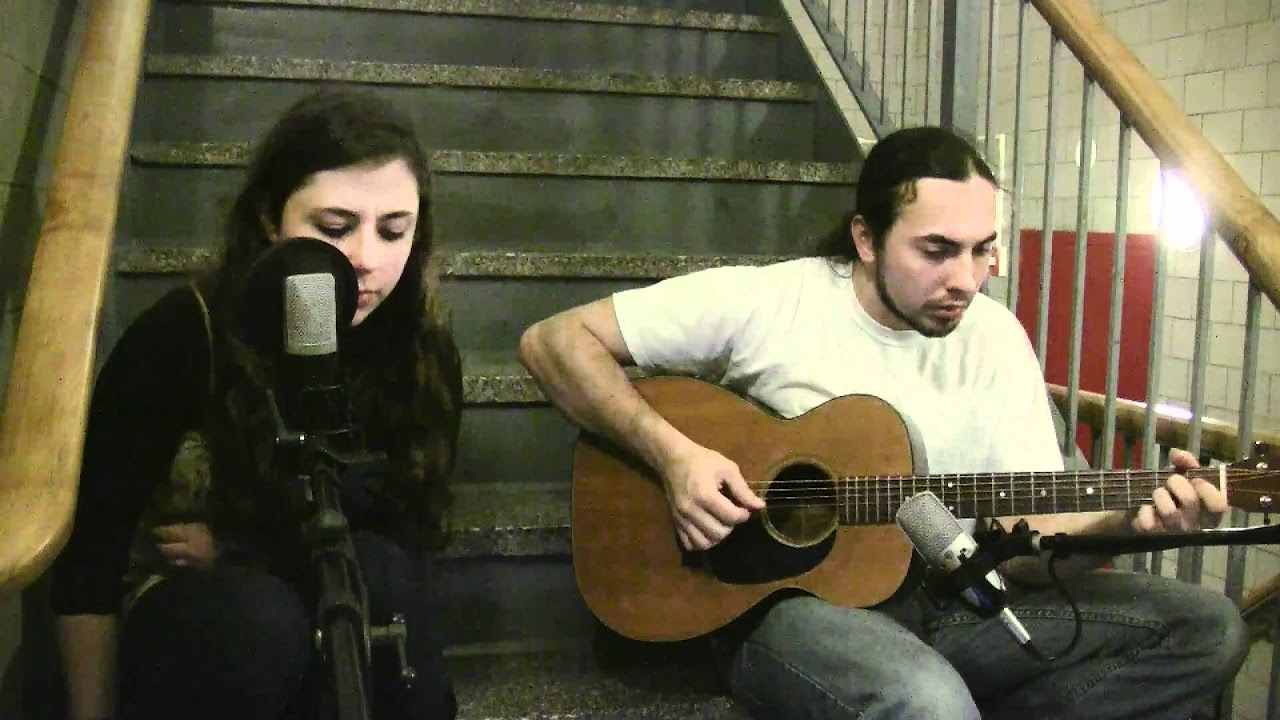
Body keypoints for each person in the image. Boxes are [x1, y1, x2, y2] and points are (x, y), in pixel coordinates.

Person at [518, 126, 1248, 719]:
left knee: (1208, 630)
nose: (966, 279)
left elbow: (1024, 553)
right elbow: (553, 342)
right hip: (790, 607)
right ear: (866, 239)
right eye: (936, 251)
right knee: (926, 702)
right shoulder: (771, 303)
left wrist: (1127, 523)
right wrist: (674, 457)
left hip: (957, 599)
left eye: (983, 250)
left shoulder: (996, 339)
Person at [50, 89, 462, 720]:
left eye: (393, 230)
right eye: (334, 228)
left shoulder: (421, 350)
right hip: (206, 631)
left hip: (316, 594)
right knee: (262, 621)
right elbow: (91, 562)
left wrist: (247, 549)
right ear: (271, 220)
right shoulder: (185, 332)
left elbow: (408, 531)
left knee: (383, 577)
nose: (366, 260)